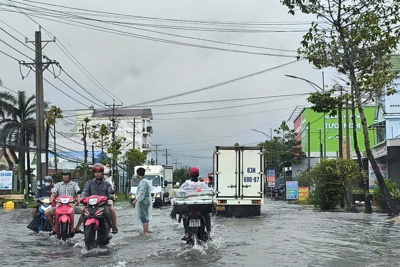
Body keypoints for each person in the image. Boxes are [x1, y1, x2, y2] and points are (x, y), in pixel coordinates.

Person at [74, 163, 118, 234]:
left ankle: (113, 227)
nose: (98, 174)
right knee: (84, 212)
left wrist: (112, 196)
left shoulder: (107, 183)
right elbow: (85, 192)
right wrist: (82, 198)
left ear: (102, 173)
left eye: (100, 172)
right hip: (91, 204)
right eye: (96, 172)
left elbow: (110, 192)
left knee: (111, 210)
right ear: (93, 173)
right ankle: (77, 227)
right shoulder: (89, 183)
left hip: (103, 204)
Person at [179, 167, 211, 239]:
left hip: (189, 207)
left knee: (184, 215)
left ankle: (186, 233)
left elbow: (180, 193)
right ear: (198, 175)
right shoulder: (202, 184)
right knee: (207, 215)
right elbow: (209, 192)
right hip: (201, 207)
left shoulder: (186, 184)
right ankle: (208, 232)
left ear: (190, 175)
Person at [131, 167, 152, 235]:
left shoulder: (143, 182)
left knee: (143, 216)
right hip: (146, 201)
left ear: (137, 174)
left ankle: (145, 231)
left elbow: (141, 192)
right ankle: (146, 230)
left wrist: (135, 200)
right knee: (145, 215)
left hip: (144, 201)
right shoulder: (145, 181)